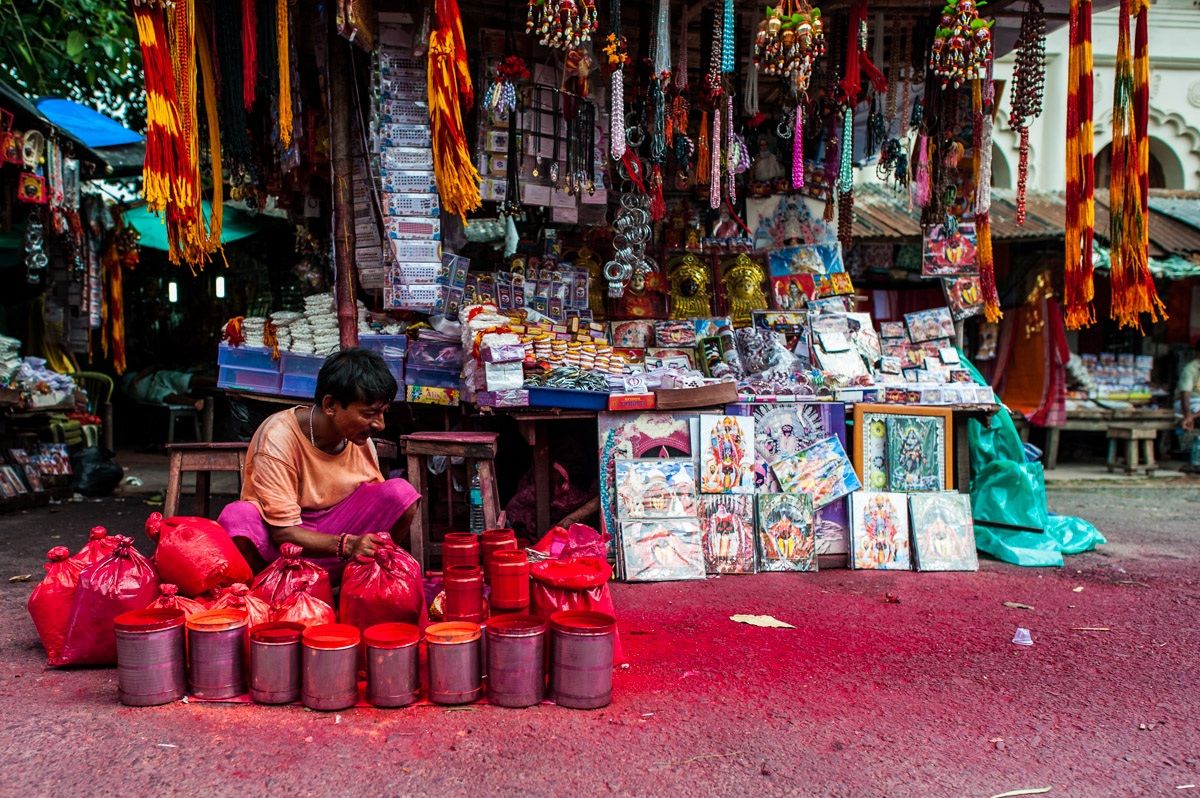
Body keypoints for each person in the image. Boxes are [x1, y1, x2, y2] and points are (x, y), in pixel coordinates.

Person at [217, 348, 419, 576]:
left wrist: (355, 544)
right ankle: (270, 590)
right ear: (330, 405)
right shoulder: (278, 437)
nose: (380, 425)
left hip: (338, 543)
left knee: (401, 493)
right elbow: (283, 532)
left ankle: (355, 581)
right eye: (369, 413)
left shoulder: (359, 439)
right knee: (238, 517)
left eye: (383, 412)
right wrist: (348, 545)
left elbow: (379, 499)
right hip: (286, 548)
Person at [1177, 339, 1200, 470]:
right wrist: (1187, 415)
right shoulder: (1190, 368)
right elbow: (1185, 394)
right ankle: (1197, 461)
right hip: (1189, 402)